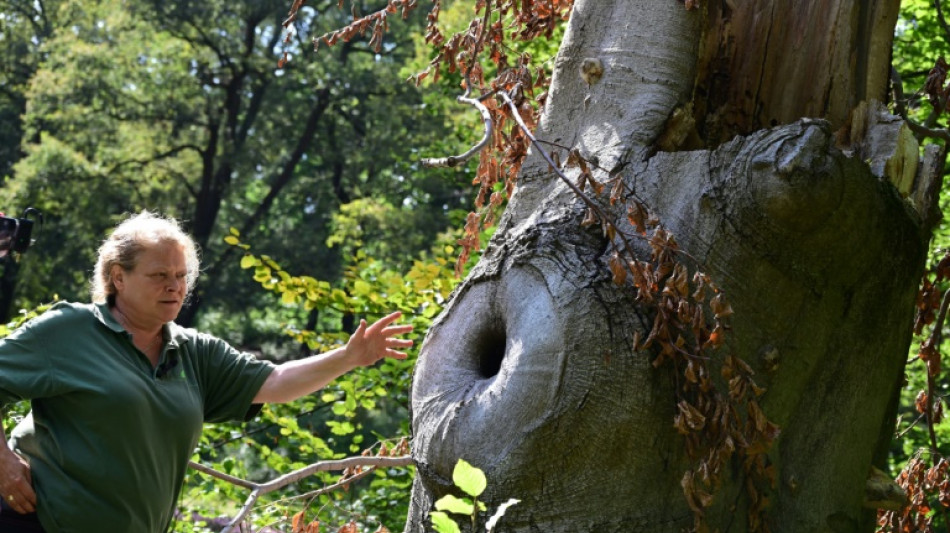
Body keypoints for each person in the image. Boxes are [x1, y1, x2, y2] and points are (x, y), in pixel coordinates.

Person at [0, 211, 413, 532]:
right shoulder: (69, 330)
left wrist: (348, 357)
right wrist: (2, 460)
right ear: (118, 278)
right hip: (35, 523)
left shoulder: (193, 351)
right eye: (159, 275)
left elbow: (276, 381)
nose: (175, 287)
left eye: (181, 276)